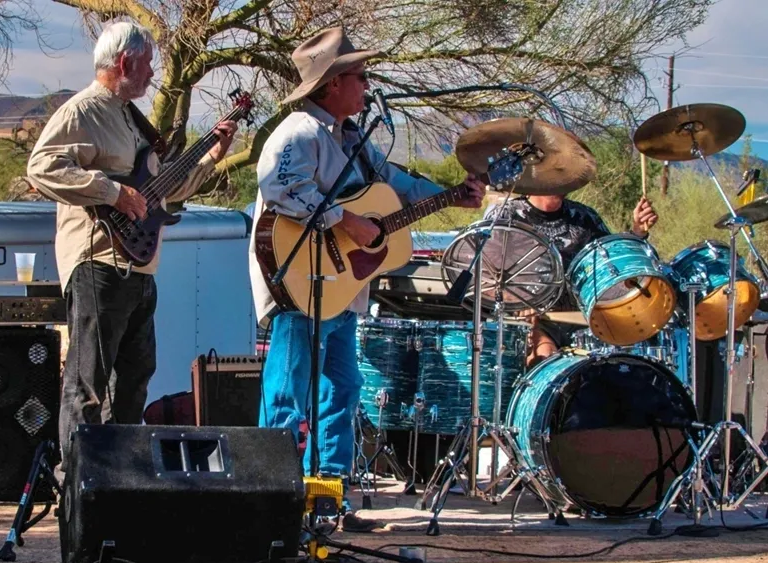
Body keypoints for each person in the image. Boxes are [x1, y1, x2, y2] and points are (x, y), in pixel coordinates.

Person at [247, 27, 485, 532]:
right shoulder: (299, 133)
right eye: (359, 75)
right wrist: (345, 221)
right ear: (332, 84)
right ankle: (275, 498)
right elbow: (280, 187)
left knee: (343, 388)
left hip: (342, 287)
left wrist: (449, 195)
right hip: (300, 282)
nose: (367, 84)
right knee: (289, 392)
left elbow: (394, 185)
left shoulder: (350, 138)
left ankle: (329, 496)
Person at [26, 22, 237, 473]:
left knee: (135, 377)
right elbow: (41, 167)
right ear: (124, 62)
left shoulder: (132, 118)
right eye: (146, 65)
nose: (152, 74)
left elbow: (161, 191)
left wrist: (210, 158)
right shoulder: (83, 111)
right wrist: (111, 192)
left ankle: (119, 476)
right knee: (88, 380)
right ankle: (77, 481)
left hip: (139, 267)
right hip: (97, 261)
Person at [484, 193, 658, 365]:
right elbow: (483, 276)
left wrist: (637, 233)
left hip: (584, 322)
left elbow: (611, 268)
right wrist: (515, 300)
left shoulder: (584, 217)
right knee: (545, 358)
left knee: (619, 363)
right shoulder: (504, 216)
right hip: (534, 324)